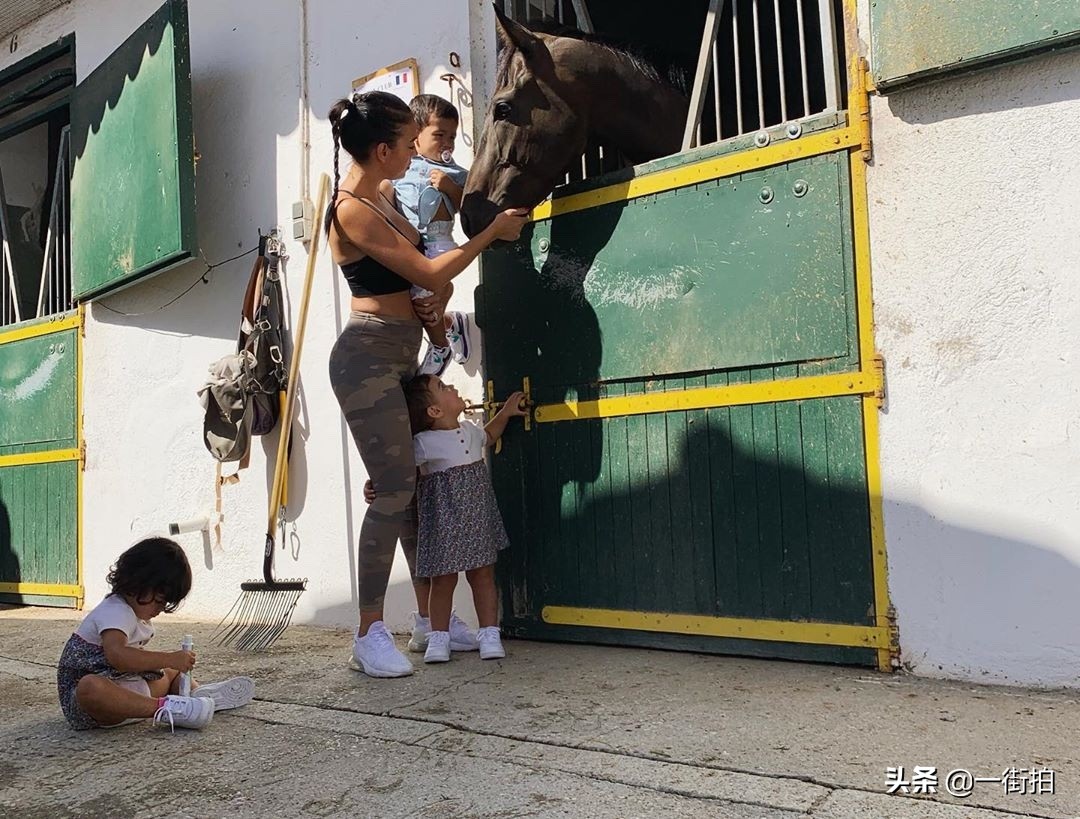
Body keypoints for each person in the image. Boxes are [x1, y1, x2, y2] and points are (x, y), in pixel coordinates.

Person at [325, 90, 527, 679]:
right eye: (410, 142)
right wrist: (490, 236)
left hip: (401, 351)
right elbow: (430, 268)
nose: (419, 149)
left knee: (412, 487)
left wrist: (432, 314)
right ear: (383, 149)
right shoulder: (350, 209)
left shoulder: (387, 195)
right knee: (392, 493)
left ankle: (425, 622)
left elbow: (419, 284)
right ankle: (368, 633)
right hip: (365, 357)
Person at [56, 537, 256, 731]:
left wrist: (172, 663)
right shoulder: (115, 610)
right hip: (93, 705)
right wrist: (168, 658)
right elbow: (117, 655)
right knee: (90, 687)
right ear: (138, 583)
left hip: (128, 692)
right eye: (159, 601)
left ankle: (196, 697)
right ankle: (168, 708)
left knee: (172, 673)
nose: (161, 609)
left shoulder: (135, 614)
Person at [383, 94, 473, 376]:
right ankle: (449, 325)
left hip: (439, 245)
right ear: (416, 137)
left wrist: (449, 187)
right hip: (412, 248)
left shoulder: (456, 173)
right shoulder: (403, 168)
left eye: (452, 137)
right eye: (439, 135)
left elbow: (470, 209)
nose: (447, 143)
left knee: (424, 299)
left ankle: (440, 346)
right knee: (417, 305)